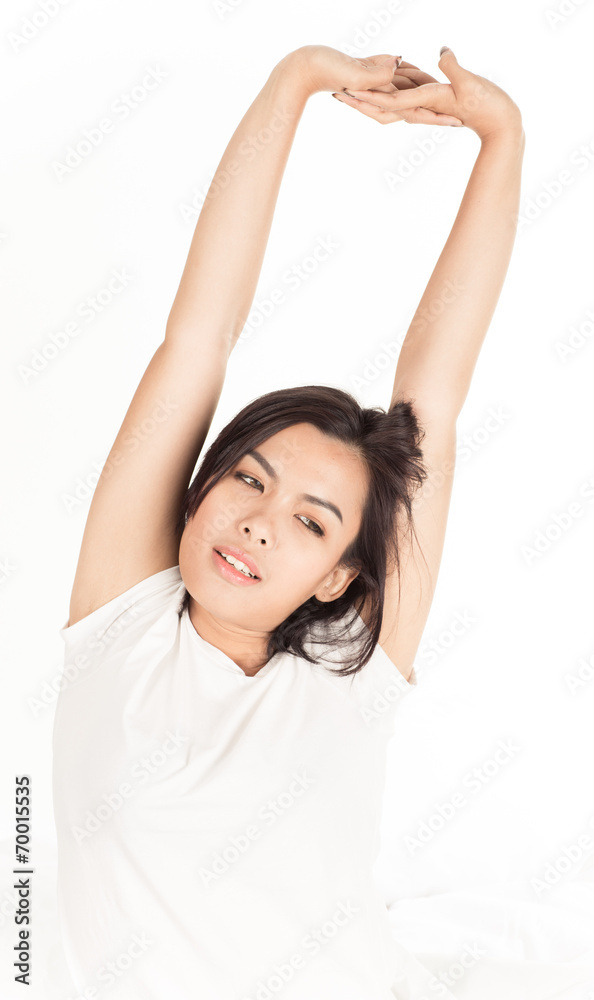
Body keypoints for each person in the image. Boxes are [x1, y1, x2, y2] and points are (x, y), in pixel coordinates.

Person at [53, 44, 524, 1000]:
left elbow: (432, 389)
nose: (260, 524)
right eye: (247, 481)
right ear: (198, 488)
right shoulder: (122, 624)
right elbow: (201, 332)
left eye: (311, 524)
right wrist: (297, 78)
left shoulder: (358, 673)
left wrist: (500, 137)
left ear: (341, 573)